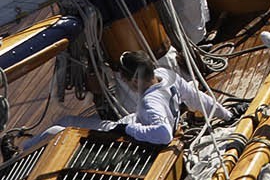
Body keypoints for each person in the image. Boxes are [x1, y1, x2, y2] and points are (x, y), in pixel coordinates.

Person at [32, 49, 231, 146]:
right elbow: (196, 98)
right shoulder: (166, 75)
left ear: (134, 80)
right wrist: (226, 115)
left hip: (133, 135)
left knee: (60, 127)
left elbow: (163, 134)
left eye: (125, 80)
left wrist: (127, 129)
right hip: (138, 122)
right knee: (66, 122)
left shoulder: (150, 102)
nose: (125, 84)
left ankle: (21, 154)